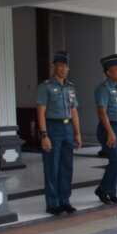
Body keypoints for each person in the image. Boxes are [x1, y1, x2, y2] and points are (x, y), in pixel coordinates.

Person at [36, 51, 82, 215]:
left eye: (65, 66)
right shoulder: (45, 87)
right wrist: (44, 135)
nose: (63, 69)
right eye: (60, 66)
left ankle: (65, 201)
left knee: (67, 167)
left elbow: (74, 111)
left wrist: (77, 133)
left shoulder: (70, 87)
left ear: (68, 68)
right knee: (52, 167)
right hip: (52, 128)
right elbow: (41, 112)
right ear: (54, 67)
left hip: (68, 128)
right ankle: (52, 203)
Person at [94, 53, 117, 204]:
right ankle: (102, 190)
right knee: (116, 161)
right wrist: (110, 133)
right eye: (116, 69)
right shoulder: (103, 89)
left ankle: (111, 192)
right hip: (108, 128)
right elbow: (102, 112)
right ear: (108, 73)